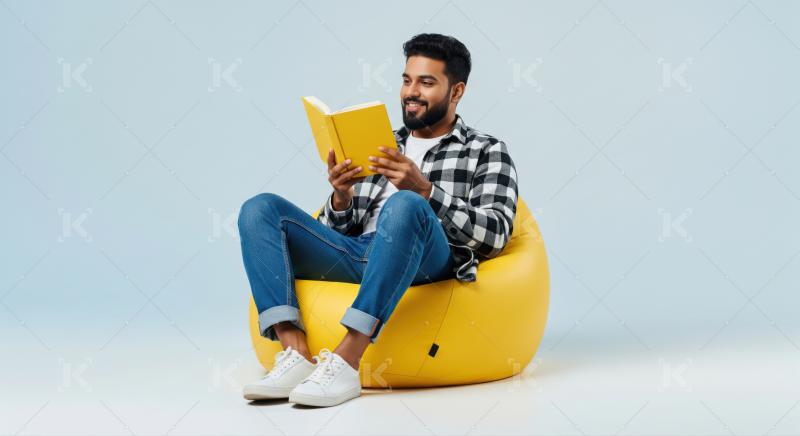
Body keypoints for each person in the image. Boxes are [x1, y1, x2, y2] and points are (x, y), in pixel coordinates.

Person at [239, 33, 518, 407]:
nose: (411, 92)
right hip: (361, 255)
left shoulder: (486, 150)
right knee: (259, 209)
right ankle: (296, 352)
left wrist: (426, 192)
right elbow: (340, 232)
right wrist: (342, 196)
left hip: (427, 260)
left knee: (405, 204)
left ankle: (346, 361)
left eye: (426, 82)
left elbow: (496, 235)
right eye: (407, 80)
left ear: (456, 92)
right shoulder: (379, 142)